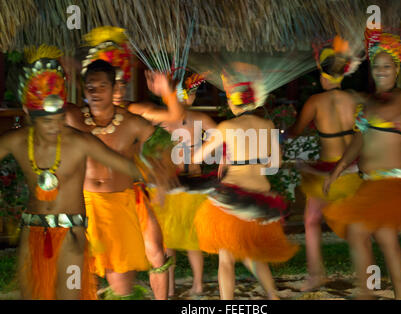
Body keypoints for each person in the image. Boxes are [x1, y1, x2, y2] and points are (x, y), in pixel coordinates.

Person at [2, 45, 156, 300]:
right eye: (90, 87)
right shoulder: (36, 133)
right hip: (49, 224)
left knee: (99, 285)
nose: (52, 125)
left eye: (101, 86)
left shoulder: (96, 134)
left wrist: (152, 175)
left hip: (92, 218)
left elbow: (140, 159)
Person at [322, 29, 401, 299]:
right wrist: (338, 169)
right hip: (370, 183)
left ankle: (369, 294)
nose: (380, 71)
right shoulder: (369, 105)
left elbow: (383, 113)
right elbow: (359, 139)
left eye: (386, 66)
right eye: (377, 66)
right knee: (386, 241)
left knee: (359, 233)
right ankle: (393, 296)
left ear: (397, 69)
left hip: (392, 183)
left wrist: (361, 98)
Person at [65, 58, 180, 299]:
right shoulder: (74, 118)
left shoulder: (131, 122)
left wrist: (162, 173)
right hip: (87, 203)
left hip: (127, 200)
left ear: (114, 87)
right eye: (90, 87)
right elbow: (40, 110)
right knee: (92, 270)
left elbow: (165, 142)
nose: (95, 92)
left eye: (102, 87)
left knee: (150, 256)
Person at [192, 69, 299, 300]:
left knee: (227, 259)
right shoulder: (268, 126)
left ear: (232, 100)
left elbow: (197, 158)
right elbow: (275, 164)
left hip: (234, 198)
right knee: (252, 253)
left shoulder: (226, 128)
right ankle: (273, 295)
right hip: (261, 199)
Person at [130, 72, 216, 297]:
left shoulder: (199, 119)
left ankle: (196, 284)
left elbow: (221, 140)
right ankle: (168, 287)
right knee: (166, 238)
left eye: (194, 93)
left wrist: (205, 152)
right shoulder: (162, 118)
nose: (192, 97)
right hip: (165, 184)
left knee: (190, 237)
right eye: (189, 92)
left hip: (192, 183)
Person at [287, 36, 363, 291]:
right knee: (354, 223)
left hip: (326, 171)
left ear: (324, 75)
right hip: (352, 168)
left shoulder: (315, 102)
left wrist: (281, 132)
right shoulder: (355, 99)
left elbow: (295, 131)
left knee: (310, 220)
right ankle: (365, 276)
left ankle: (316, 274)